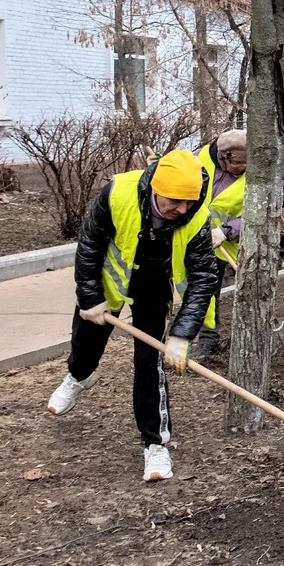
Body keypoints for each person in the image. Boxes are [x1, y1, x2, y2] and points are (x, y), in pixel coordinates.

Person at [47, 149, 221, 483]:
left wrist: (182, 334)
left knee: (149, 363)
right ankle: (79, 377)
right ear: (156, 188)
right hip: (109, 280)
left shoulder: (197, 217)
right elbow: (90, 243)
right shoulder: (118, 192)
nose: (182, 210)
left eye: (189, 201)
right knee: (85, 342)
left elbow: (203, 278)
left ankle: (155, 445)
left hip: (153, 285)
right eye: (175, 201)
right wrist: (90, 297)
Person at [193, 129, 246, 356]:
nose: (243, 168)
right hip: (190, 236)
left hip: (222, 245)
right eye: (238, 164)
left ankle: (208, 341)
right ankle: (175, 336)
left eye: (246, 162)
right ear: (224, 157)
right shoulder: (201, 158)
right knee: (188, 290)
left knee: (209, 292)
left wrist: (226, 231)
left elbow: (256, 215)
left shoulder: (255, 176)